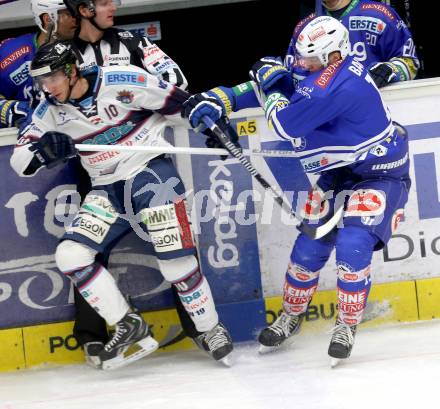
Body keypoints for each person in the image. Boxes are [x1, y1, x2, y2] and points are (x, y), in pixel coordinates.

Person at [181, 15, 410, 365]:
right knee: (308, 248)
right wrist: (219, 98)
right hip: (339, 177)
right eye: (300, 57)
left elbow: (285, 120)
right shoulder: (319, 70)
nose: (301, 65)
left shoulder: (343, 84)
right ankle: (291, 316)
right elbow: (275, 84)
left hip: (380, 175)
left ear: (334, 55)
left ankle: (347, 324)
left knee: (352, 243)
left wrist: (270, 86)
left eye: (310, 60)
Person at [10, 40, 234, 370]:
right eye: (42, 81)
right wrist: (41, 153)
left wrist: (208, 121)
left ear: (72, 71)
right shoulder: (47, 109)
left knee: (177, 266)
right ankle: (129, 325)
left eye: (53, 78)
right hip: (106, 190)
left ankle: (210, 329)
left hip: (151, 176)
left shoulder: (121, 79)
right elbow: (19, 160)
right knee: (70, 255)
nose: (47, 87)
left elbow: (178, 104)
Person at [59, 0, 207, 367]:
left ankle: (200, 327)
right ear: (83, 8)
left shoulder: (132, 41)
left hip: (144, 160)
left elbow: (176, 80)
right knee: (88, 251)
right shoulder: (65, 53)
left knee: (175, 240)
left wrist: (135, 94)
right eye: (106, 1)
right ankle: (93, 335)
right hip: (96, 169)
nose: (116, 6)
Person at [285, 0, 419, 88]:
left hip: (375, 109)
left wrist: (390, 70)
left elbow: (410, 62)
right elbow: (292, 77)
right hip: (326, 118)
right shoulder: (304, 29)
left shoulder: (380, 15)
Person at [0, 0, 77, 129]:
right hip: (28, 139)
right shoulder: (10, 53)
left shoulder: (90, 47)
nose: (76, 19)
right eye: (68, 14)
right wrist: (11, 110)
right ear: (48, 19)